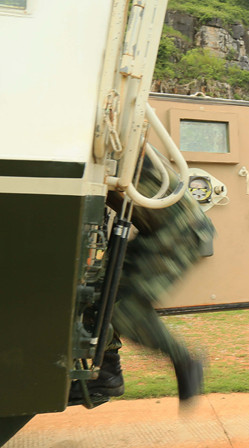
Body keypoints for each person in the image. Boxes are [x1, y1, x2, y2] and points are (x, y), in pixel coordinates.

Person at [69, 154, 215, 407]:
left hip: (180, 230)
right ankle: (107, 374)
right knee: (98, 292)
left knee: (126, 310)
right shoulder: (107, 140)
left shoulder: (112, 142)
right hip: (158, 231)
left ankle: (185, 360)